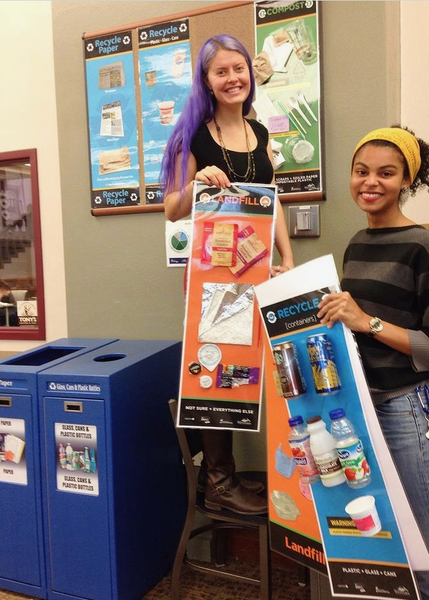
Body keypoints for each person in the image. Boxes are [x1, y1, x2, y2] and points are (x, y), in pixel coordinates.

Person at [317, 126, 429, 600]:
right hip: (361, 410)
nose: (371, 182)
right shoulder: (357, 243)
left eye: (386, 173)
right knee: (393, 550)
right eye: (361, 171)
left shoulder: (426, 248)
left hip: (410, 411)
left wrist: (368, 322)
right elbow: (349, 323)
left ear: (407, 179)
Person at [162, 34, 295, 515]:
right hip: (213, 279)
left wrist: (288, 257)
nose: (233, 77)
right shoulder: (192, 135)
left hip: (257, 270)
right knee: (218, 372)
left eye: (239, 68)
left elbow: (272, 203)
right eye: (222, 71)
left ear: (249, 74)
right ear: (207, 81)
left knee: (246, 371)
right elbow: (171, 211)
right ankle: (218, 480)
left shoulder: (260, 134)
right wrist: (196, 181)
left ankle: (228, 475)